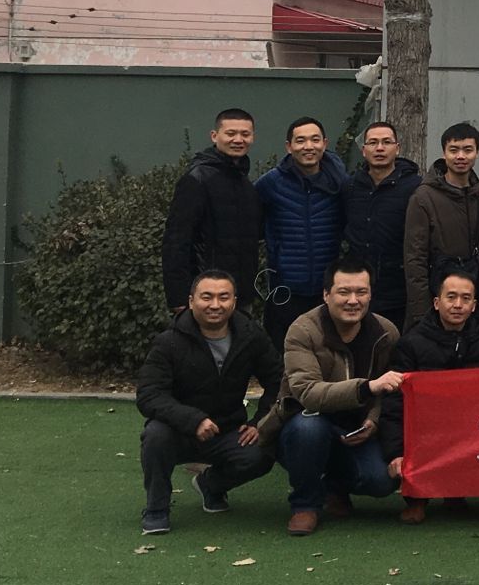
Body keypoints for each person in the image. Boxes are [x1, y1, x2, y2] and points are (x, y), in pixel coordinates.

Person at [258, 257, 404, 538]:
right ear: (326, 294)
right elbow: (307, 392)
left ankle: (335, 487)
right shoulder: (303, 330)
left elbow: (390, 390)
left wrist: (373, 420)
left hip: (357, 428)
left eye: (361, 292)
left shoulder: (386, 332)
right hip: (304, 422)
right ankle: (304, 505)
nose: (353, 301)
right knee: (308, 428)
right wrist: (366, 388)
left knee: (382, 481)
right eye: (343, 292)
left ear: (370, 295)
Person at [135, 270, 281, 535]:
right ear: (192, 302)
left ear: (234, 302)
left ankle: (210, 485)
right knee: (155, 435)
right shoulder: (168, 341)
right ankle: (157, 508)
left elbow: (279, 381)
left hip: (228, 430)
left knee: (261, 452)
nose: (215, 305)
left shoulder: (251, 336)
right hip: (178, 431)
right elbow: (149, 394)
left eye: (223, 297)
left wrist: (259, 422)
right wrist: (193, 420)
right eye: (207, 297)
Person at [382, 266, 479, 525]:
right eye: (451, 297)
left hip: (468, 427)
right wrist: (395, 451)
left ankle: (457, 490)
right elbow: (394, 401)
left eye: (466, 298)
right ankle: (416, 498)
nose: (458, 305)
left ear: (474, 306)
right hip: (424, 429)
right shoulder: (411, 343)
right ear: (436, 303)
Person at [255, 115, 352, 349]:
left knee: (329, 356)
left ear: (325, 144)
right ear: (289, 147)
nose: (308, 146)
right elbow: (251, 226)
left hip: (327, 290)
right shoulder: (270, 184)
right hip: (285, 291)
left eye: (315, 140)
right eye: (300, 141)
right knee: (284, 356)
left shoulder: (340, 183)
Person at [160, 106, 262, 314]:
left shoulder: (245, 183)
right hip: (206, 297)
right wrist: (179, 297)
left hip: (240, 296)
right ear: (215, 136)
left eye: (245, 134)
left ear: (253, 137)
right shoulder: (197, 179)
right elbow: (176, 241)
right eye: (231, 133)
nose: (238, 139)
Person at [402, 121, 479, 326]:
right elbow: (415, 258)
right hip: (434, 298)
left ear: (477, 153)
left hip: (471, 301)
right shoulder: (424, 197)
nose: (461, 156)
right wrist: (421, 312)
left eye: (468, 150)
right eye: (454, 150)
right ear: (444, 153)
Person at [343, 121, 423, 329]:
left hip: (398, 291)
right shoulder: (351, 187)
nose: (380, 148)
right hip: (357, 288)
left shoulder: (415, 187)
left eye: (386, 142)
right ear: (364, 150)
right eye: (373, 143)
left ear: (397, 148)